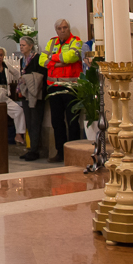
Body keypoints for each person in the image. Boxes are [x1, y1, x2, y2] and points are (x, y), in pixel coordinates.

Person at [39, 19, 84, 162]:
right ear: (56, 30)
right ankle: (60, 152)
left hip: (71, 88)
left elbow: (71, 57)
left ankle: (74, 152)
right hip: (54, 87)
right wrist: (59, 62)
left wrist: (52, 59)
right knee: (57, 122)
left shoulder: (76, 41)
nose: (62, 30)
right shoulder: (52, 42)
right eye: (60, 28)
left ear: (69, 29)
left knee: (73, 121)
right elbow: (41, 60)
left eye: (65, 27)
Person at [15, 36, 47, 161]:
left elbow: (40, 76)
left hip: (36, 94)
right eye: (20, 45)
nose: (21, 47)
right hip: (25, 93)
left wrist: (27, 78)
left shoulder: (37, 58)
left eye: (23, 45)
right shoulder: (22, 60)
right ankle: (30, 148)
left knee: (35, 122)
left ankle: (35, 150)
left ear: (30, 46)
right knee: (28, 121)